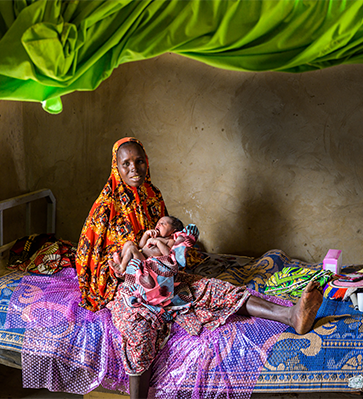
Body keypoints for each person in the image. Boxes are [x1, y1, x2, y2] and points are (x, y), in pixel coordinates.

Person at [75, 137, 323, 399]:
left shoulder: (152, 196)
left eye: (139, 161)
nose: (134, 168)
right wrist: (134, 253)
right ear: (116, 168)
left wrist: (168, 247)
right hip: (130, 285)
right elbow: (89, 260)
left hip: (164, 275)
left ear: (146, 163)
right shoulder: (106, 207)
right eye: (126, 164)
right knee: (139, 332)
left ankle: (290, 316)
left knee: (215, 290)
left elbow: (171, 238)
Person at [109, 215, 185, 277]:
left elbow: (167, 254)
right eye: (158, 223)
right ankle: (122, 263)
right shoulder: (154, 236)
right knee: (129, 243)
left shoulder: (169, 241)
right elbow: (141, 246)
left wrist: (157, 242)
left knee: (132, 248)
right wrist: (146, 234)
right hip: (139, 255)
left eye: (163, 224)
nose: (158, 225)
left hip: (145, 263)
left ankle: (121, 268)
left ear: (173, 231)